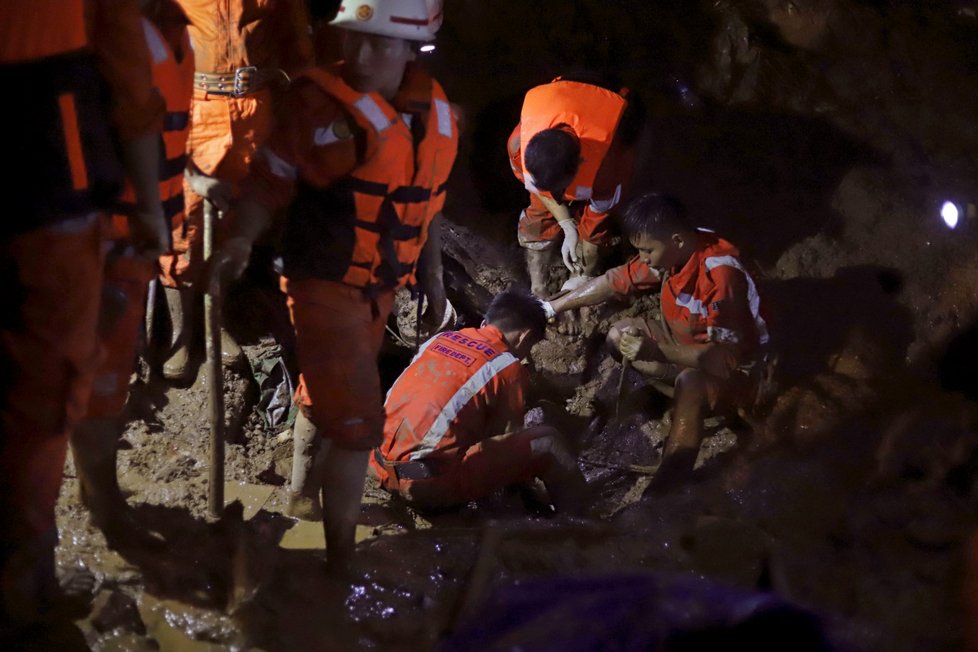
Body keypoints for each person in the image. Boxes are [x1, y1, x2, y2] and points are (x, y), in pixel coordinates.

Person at [209, 0, 457, 576]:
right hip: (322, 284)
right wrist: (240, 241)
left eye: (379, 43)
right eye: (354, 38)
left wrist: (433, 274)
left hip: (381, 286)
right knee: (357, 425)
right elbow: (268, 179)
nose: (360, 54)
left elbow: (428, 199)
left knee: (328, 398)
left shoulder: (434, 111)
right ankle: (342, 563)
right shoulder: (318, 105)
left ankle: (299, 495)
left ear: (412, 47)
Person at [0, 0, 167, 632]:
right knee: (44, 389)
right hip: (41, 160)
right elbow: (126, 68)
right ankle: (25, 584)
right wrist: (148, 203)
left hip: (46, 156)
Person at [542, 193, 769, 489]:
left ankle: (667, 486)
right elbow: (616, 280)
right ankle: (680, 400)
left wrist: (656, 350)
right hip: (685, 343)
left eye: (647, 250)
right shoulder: (676, 252)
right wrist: (552, 307)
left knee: (691, 383)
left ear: (676, 240)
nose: (643, 258)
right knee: (618, 335)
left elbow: (724, 360)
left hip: (737, 372)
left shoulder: (721, 276)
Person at [71, 0, 195, 540]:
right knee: (90, 381)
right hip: (101, 240)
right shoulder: (106, 30)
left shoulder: (173, 33)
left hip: (131, 240)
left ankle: (94, 495)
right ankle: (100, 509)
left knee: (107, 377)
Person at [159, 0, 314, 382]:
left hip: (254, 109)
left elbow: (295, 43)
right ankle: (182, 333)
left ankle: (216, 320)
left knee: (235, 222)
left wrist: (307, 103)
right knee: (183, 228)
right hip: (194, 106)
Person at [371, 289, 587, 511]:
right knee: (548, 442)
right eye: (529, 346)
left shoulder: (439, 339)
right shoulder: (507, 367)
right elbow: (504, 438)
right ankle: (583, 524)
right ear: (524, 336)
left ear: (485, 323)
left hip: (377, 463)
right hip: (424, 484)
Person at [507, 73, 639, 297]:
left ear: (580, 163)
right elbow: (538, 190)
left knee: (594, 234)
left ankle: (577, 285)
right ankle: (537, 289)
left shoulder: (609, 164)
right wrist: (567, 225)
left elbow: (597, 221)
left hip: (610, 108)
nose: (560, 197)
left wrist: (581, 277)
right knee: (537, 218)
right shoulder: (519, 146)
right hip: (563, 94)